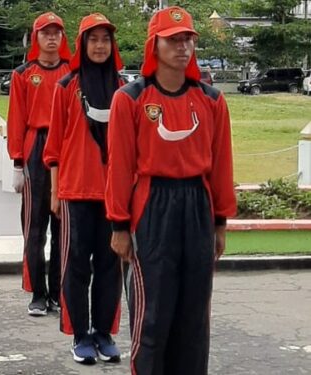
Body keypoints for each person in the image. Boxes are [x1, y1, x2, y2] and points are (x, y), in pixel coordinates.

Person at [105, 6, 237, 375]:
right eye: (173, 40)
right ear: (154, 44)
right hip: (152, 205)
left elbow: (221, 164)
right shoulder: (130, 98)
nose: (182, 47)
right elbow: (120, 166)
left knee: (195, 315)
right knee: (153, 315)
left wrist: (220, 222)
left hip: (197, 204)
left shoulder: (211, 100)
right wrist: (118, 224)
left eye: (188, 39)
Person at [43, 13, 125, 365]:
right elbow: (55, 146)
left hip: (113, 194)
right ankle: (79, 335)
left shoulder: (125, 88)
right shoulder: (66, 87)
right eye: (93, 39)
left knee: (110, 265)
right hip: (75, 191)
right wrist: (54, 192)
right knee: (77, 266)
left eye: (106, 39)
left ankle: (103, 333)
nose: (100, 46)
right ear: (81, 44)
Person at [7, 11, 71, 316]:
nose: (51, 38)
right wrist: (17, 163)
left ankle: (58, 291)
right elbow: (17, 119)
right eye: (46, 33)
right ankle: (37, 292)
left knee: (63, 226)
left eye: (56, 32)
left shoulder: (73, 73)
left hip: (66, 151)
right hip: (35, 147)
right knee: (34, 227)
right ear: (37, 38)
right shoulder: (23, 74)